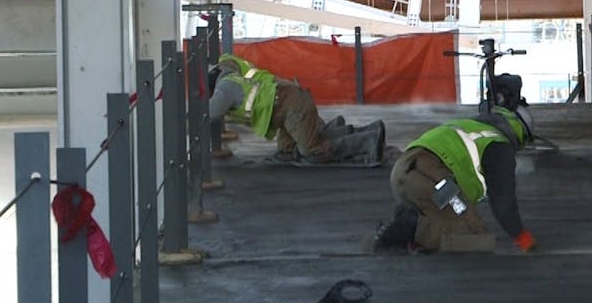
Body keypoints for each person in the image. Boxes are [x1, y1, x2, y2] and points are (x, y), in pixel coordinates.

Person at [374, 105, 536, 254]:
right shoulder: (499, 145)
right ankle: (411, 226)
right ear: (520, 133)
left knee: (453, 217)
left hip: (403, 173)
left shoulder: (469, 126)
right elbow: (503, 203)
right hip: (432, 176)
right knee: (476, 236)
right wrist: (524, 240)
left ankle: (409, 219)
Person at [208, 53, 383, 163]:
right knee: (287, 152)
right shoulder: (231, 68)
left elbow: (210, 112)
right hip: (284, 107)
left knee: (310, 152)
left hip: (292, 106)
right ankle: (353, 130)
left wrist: (183, 119)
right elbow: (227, 60)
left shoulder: (225, 88)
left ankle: (368, 141)